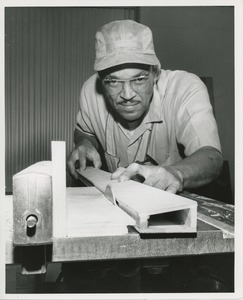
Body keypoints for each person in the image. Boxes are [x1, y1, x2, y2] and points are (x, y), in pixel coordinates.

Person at [67, 19, 223, 194]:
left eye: (139, 79)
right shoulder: (90, 91)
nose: (127, 95)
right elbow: (84, 131)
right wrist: (85, 143)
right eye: (113, 82)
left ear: (155, 73)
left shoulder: (185, 88)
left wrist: (176, 173)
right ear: (101, 80)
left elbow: (211, 157)